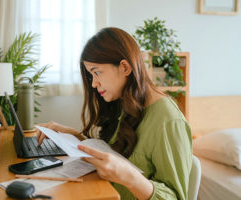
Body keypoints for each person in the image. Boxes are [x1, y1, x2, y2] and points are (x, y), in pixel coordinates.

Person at [37, 27, 192, 200]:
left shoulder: (168, 121)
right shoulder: (126, 102)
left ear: (124, 67)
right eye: (91, 75)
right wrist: (74, 137)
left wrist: (131, 177)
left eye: (96, 72)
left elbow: (177, 197)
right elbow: (114, 159)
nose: (94, 83)